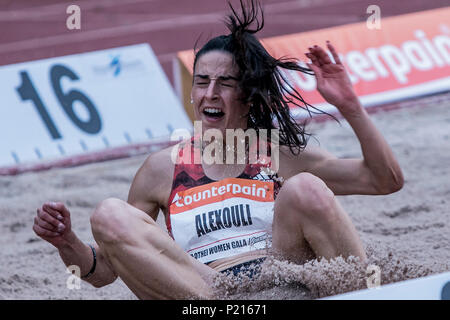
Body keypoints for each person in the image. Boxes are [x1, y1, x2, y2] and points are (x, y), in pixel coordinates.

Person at [33, 0, 403, 299]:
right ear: (191, 93)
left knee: (306, 188)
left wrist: (351, 107)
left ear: (247, 94)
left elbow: (384, 180)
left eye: (225, 83)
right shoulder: (161, 169)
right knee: (109, 214)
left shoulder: (278, 155)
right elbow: (105, 272)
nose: (210, 93)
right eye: (201, 82)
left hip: (279, 285)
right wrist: (67, 243)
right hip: (205, 296)